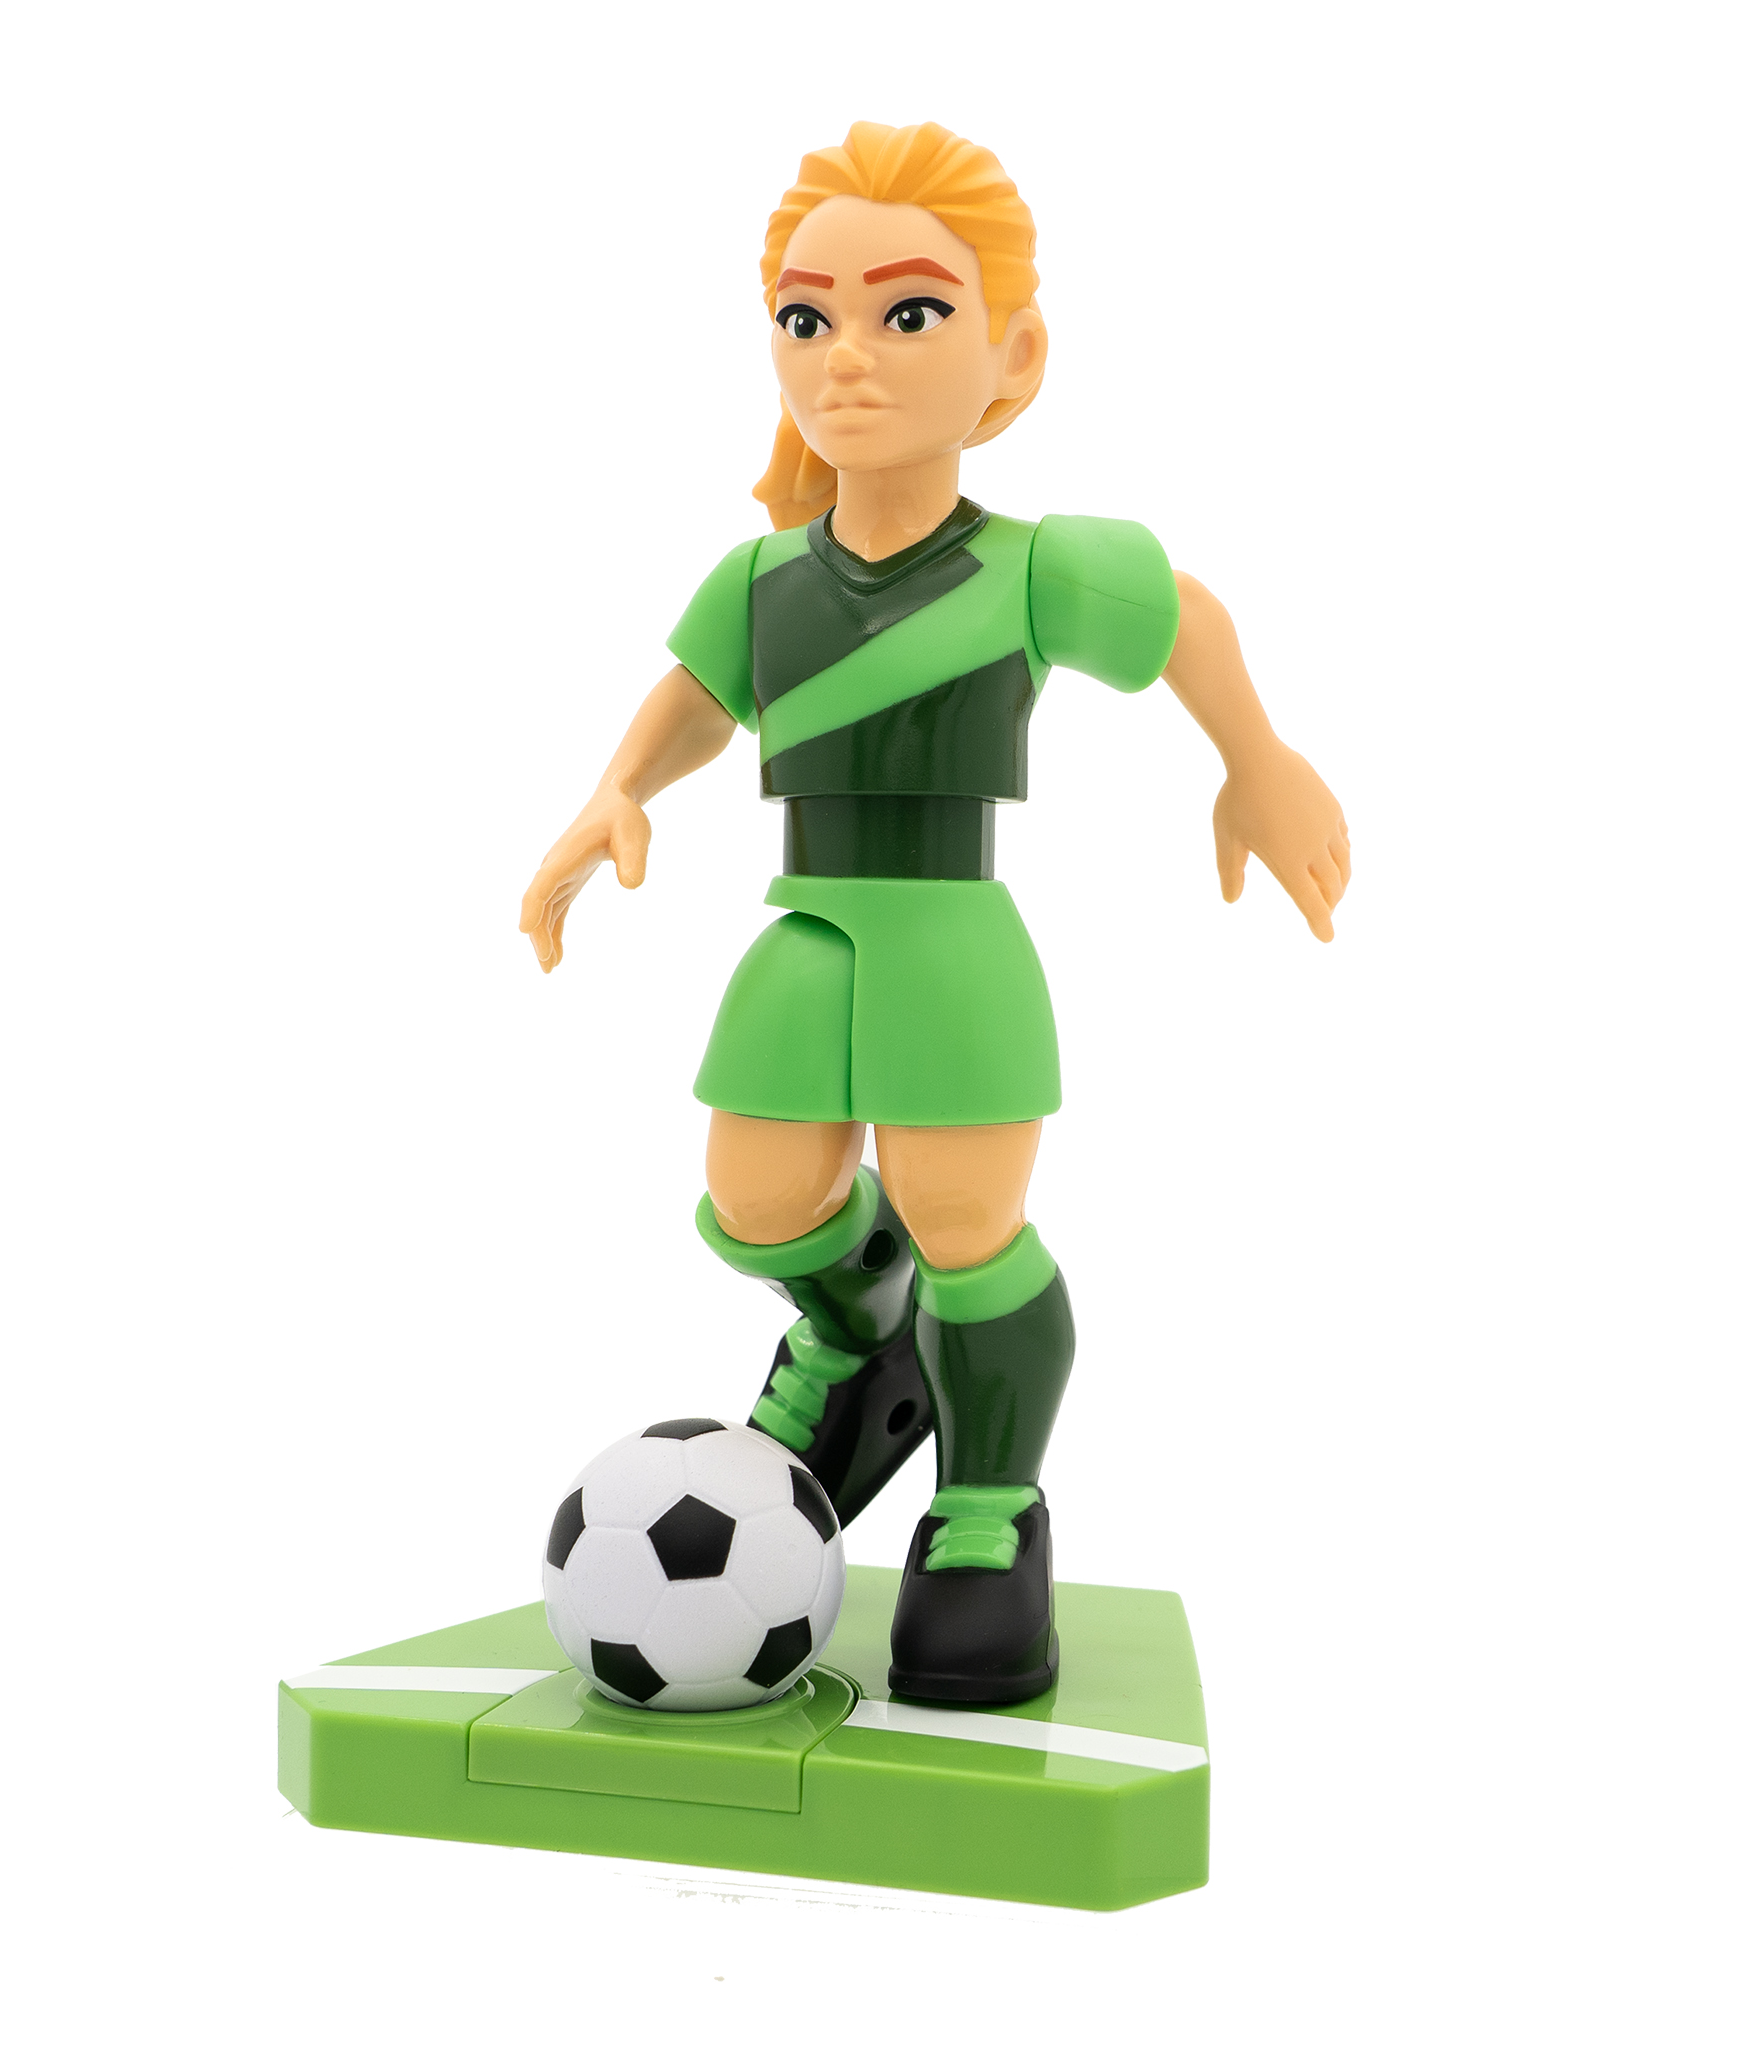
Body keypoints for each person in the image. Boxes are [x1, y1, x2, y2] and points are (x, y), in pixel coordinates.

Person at [520, 122, 1350, 1705]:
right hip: (807, 924)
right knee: (758, 1199)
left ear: (1010, 356)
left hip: (955, 942)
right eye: (805, 316)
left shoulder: (1036, 568)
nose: (847, 356)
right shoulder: (760, 579)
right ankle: (859, 1338)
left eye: (908, 313)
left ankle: (984, 1509)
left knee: (966, 1223)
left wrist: (1259, 762)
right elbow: (698, 698)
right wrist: (615, 792)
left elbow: (1186, 617)